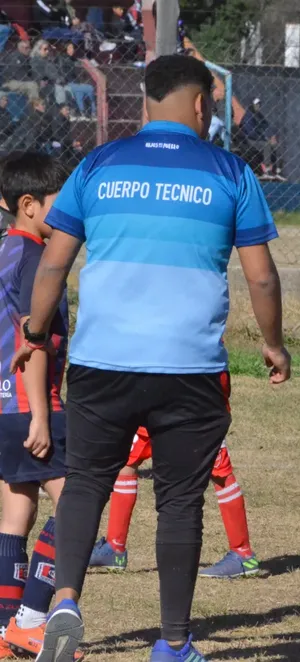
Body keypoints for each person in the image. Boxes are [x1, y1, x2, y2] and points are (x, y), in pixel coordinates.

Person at [11, 54, 290, 662]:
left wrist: (34, 331)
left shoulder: (99, 164)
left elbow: (54, 262)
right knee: (181, 502)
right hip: (188, 368)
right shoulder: (229, 170)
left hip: (100, 362)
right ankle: (172, 643)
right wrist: (273, 343)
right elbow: (262, 278)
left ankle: (64, 600)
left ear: (146, 101)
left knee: (86, 481)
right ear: (200, 104)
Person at [0, 152, 81, 661]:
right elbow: (32, 340)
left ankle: (5, 629)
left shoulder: (4, 250)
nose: (71, 213)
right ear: (29, 206)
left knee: (15, 513)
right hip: (32, 406)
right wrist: (43, 416)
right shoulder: (35, 259)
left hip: (2, 409)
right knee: (77, 504)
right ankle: (32, 619)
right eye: (61, 203)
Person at [89, 426, 260, 579]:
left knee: (220, 473)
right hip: (157, 402)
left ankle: (243, 554)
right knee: (128, 459)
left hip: (198, 407)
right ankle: (114, 547)